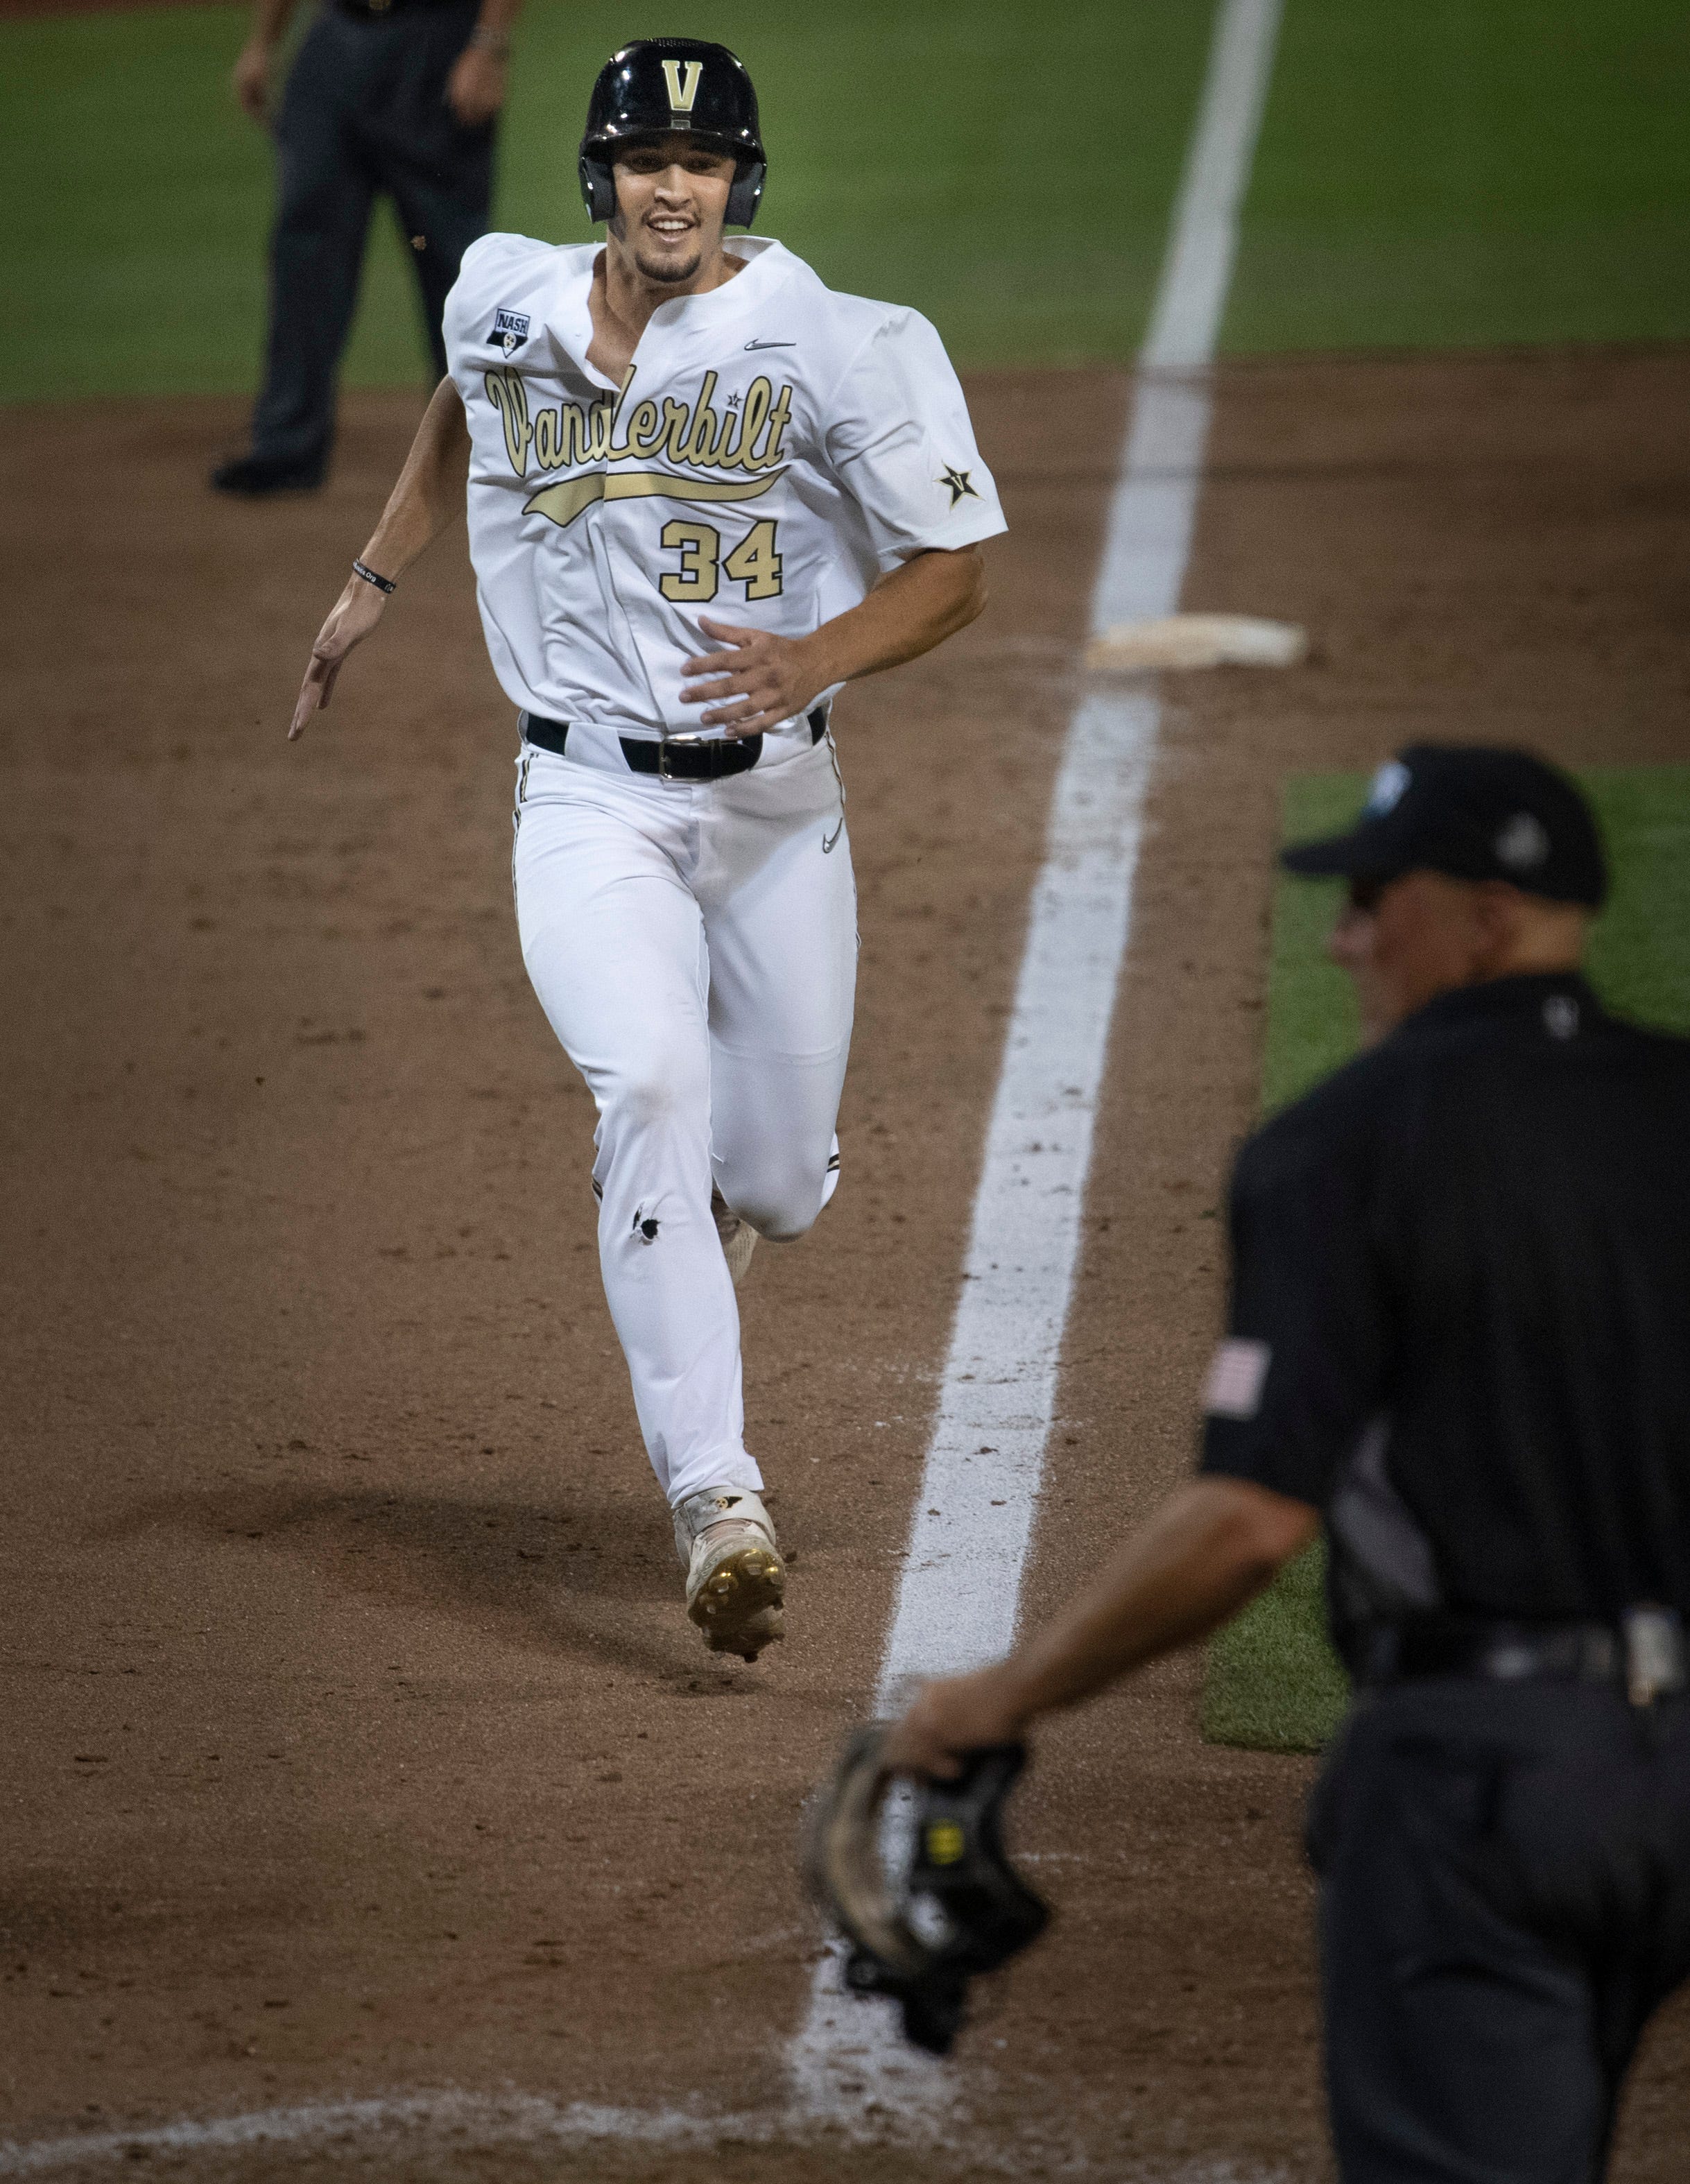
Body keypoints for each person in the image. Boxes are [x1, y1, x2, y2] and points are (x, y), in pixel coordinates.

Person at [287, 39, 1005, 1660]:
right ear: (599, 177)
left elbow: (956, 564)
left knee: (780, 1182)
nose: (667, 186)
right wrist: (373, 580)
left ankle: (705, 1186)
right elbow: (462, 403)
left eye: (698, 161)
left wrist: (819, 655)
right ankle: (718, 1499)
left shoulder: (833, 342)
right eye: (639, 158)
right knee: (653, 1093)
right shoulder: (508, 294)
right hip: (586, 803)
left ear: (738, 180)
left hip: (774, 809)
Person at [885, 744, 1690, 2183]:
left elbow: (1251, 1520)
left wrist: (1000, 1697)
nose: (1344, 937)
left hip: (1485, 1785)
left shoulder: (1342, 1144)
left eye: (1375, 898)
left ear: (1489, 912)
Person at [212, 0, 522, 496]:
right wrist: (261, 43)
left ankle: (476, 446)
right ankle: (286, 446)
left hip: (436, 40)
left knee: (451, 259)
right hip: (335, 37)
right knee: (305, 252)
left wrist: (488, 46)